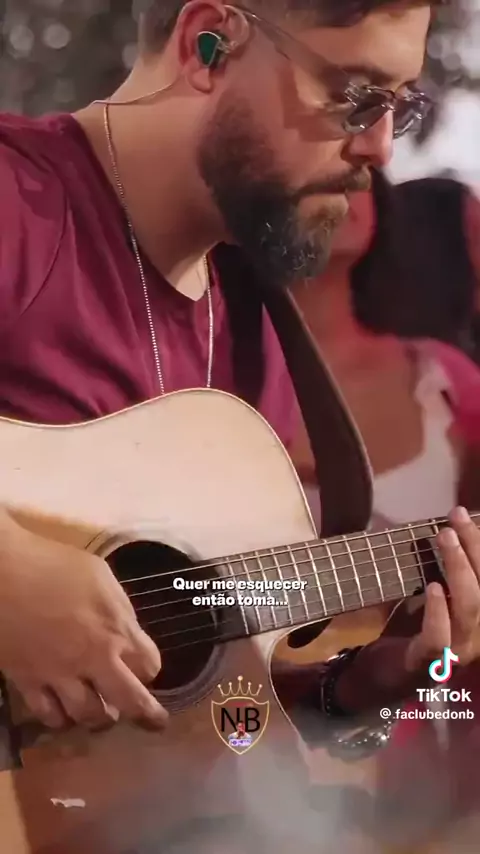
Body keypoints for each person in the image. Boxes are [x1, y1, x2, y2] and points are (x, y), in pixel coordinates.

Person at [0, 0, 478, 746]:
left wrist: (364, 683)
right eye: (356, 95)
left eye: (399, 106)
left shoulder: (260, 339)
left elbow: (218, 708)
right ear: (209, 44)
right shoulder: (18, 204)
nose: (381, 149)